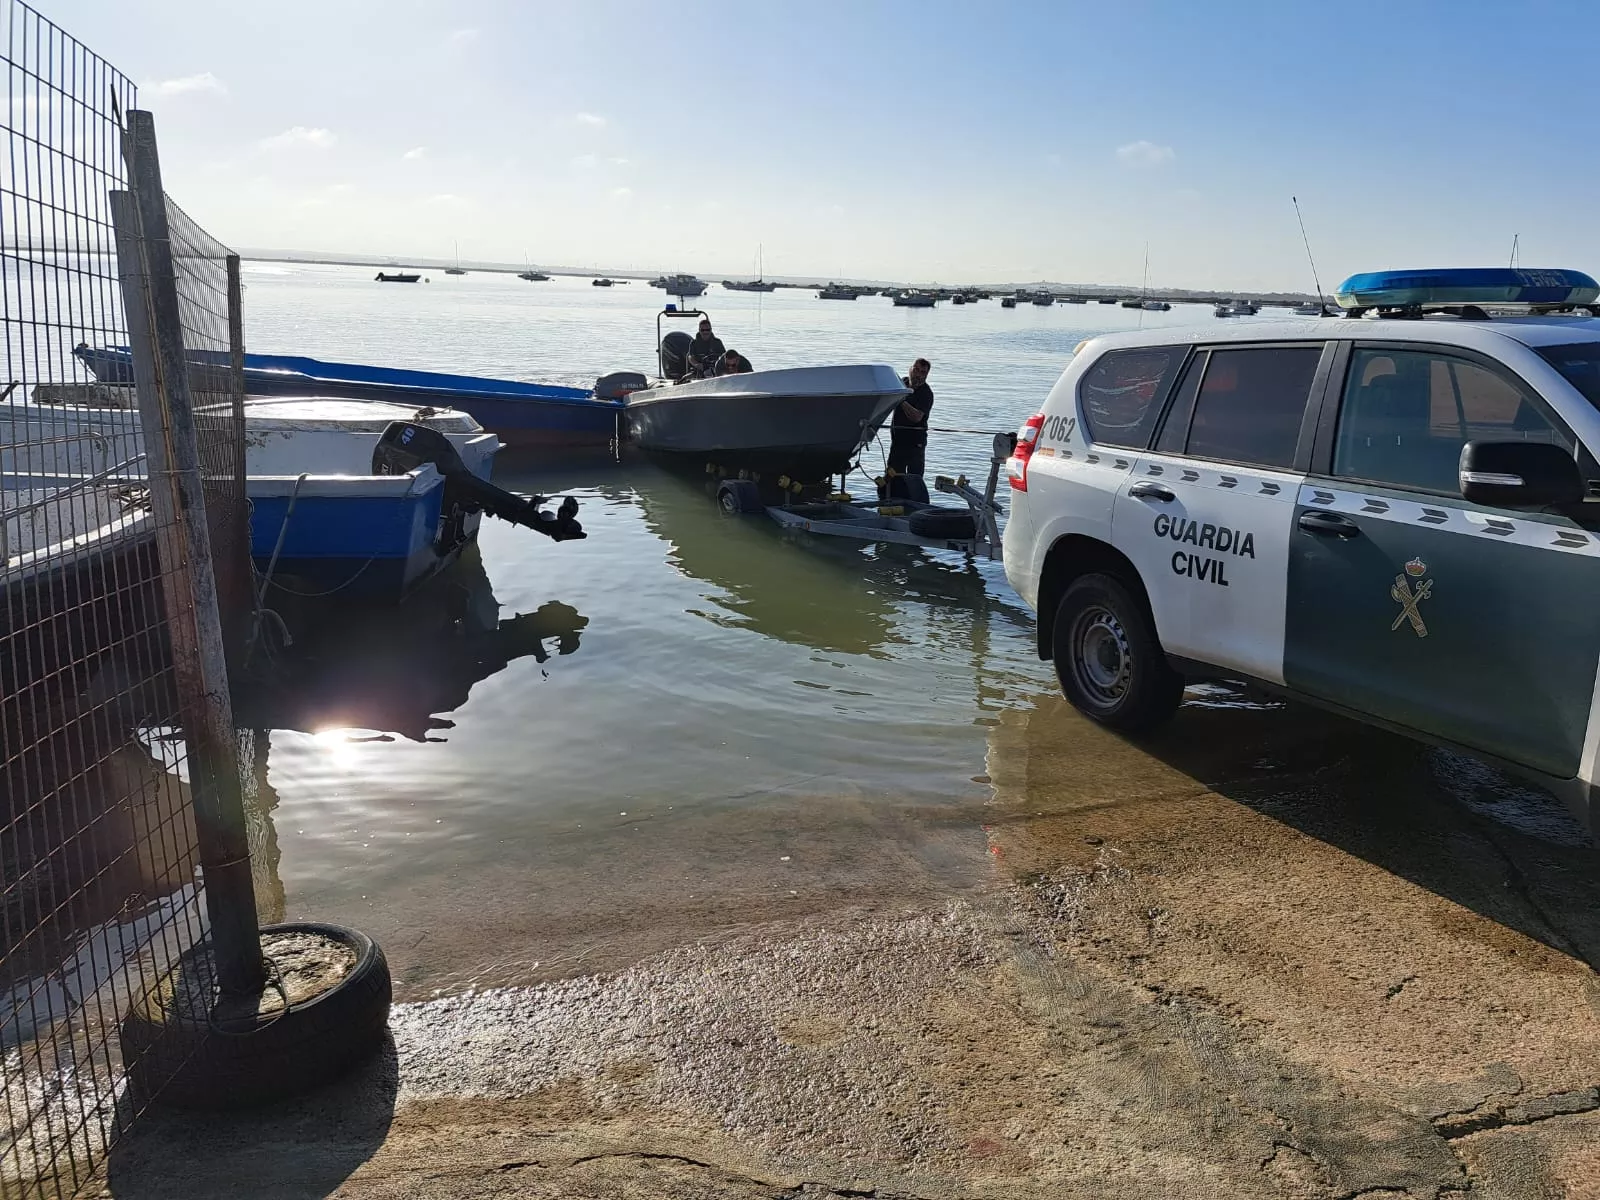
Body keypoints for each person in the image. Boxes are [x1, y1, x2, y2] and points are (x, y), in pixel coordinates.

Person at [887, 358, 933, 476]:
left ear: (926, 375)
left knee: (914, 478)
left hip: (915, 444)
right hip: (897, 441)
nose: (918, 375)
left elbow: (917, 417)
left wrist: (901, 400)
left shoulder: (926, 393)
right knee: (892, 477)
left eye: (922, 372)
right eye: (916, 370)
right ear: (910, 369)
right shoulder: (902, 383)